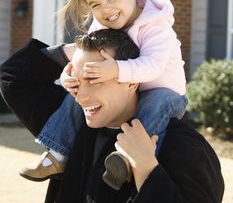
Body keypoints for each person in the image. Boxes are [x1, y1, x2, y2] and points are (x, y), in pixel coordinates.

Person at [20, 0, 188, 188]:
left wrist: (115, 69)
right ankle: (57, 154)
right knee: (81, 96)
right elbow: (84, 55)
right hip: (127, 88)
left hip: (164, 91)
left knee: (154, 104)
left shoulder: (155, 25)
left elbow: (153, 66)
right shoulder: (100, 25)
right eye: (95, 4)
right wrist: (69, 76)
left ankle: (127, 160)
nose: (105, 10)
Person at [0, 29, 224, 203]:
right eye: (76, 81)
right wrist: (81, 49)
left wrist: (147, 169)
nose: (81, 96)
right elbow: (12, 76)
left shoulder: (183, 146)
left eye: (94, 80)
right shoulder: (70, 125)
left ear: (131, 80)